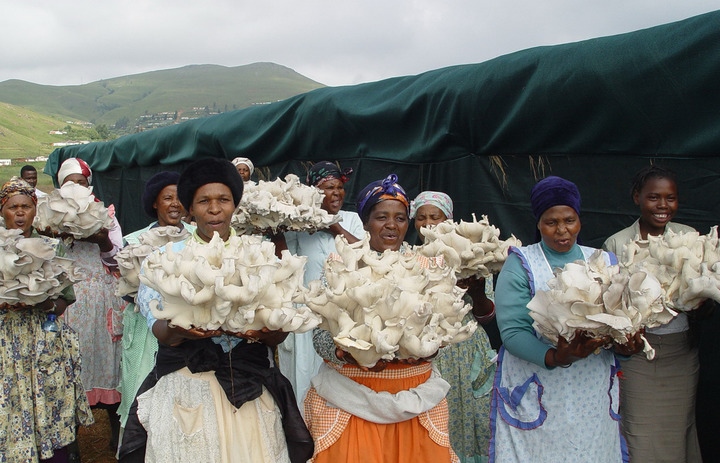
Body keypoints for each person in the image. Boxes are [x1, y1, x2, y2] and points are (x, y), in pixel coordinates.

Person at [118, 157, 313, 463]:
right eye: (203, 201)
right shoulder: (165, 259)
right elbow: (159, 330)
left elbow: (277, 333)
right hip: (187, 384)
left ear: (234, 205)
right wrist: (180, 330)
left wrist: (264, 332)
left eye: (223, 199)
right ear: (190, 208)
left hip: (249, 383)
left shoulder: (259, 255)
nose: (214, 209)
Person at [489, 175, 643, 463]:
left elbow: (620, 320)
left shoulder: (604, 261)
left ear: (579, 220)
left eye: (569, 220)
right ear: (538, 223)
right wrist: (555, 356)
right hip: (538, 386)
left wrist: (626, 347)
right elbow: (513, 332)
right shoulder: (521, 263)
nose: (562, 230)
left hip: (591, 391)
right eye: (551, 222)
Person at [306, 174, 458, 463]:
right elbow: (320, 336)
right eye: (381, 217)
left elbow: (443, 329)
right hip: (352, 398)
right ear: (365, 222)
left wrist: (429, 348)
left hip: (415, 397)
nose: (391, 225)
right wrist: (347, 353)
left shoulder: (428, 266)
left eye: (400, 218)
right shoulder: (342, 264)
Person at [603, 165, 702, 462]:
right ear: (637, 198)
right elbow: (609, 304)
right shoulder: (617, 244)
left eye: (670, 198)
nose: (663, 205)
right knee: (639, 435)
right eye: (654, 197)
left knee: (677, 432)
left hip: (680, 354)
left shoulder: (689, 237)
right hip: (636, 356)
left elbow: (704, 301)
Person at [0, 178, 93, 462]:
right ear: (2, 210)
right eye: (12, 207)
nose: (19, 213)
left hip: (44, 338)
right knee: (9, 404)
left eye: (26, 206)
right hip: (5, 340)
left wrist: (46, 303)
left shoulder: (53, 248)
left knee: (50, 401)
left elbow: (65, 298)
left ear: (34, 209)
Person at [410, 190, 497, 462]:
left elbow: (487, 315)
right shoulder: (408, 256)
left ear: (448, 219)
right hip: (428, 349)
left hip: (467, 347)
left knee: (469, 415)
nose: (427, 224)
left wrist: (476, 291)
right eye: (421, 217)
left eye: (434, 217)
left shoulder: (472, 253)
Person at [272, 161, 365, 411]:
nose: (336, 193)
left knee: (341, 378)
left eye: (339, 187)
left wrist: (334, 227)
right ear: (313, 192)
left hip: (343, 315)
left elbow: (363, 256)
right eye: (328, 188)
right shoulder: (300, 225)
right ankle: (306, 425)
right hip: (307, 314)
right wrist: (276, 231)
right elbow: (285, 263)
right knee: (304, 373)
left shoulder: (351, 219)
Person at [116, 171, 195, 446]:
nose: (175, 204)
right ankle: (140, 448)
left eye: (180, 198)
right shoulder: (135, 240)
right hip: (144, 329)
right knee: (141, 388)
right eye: (167, 198)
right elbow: (126, 289)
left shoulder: (198, 237)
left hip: (185, 327)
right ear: (154, 203)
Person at [55, 157, 126, 455]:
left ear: (89, 186)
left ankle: (116, 439)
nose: (76, 188)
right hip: (70, 304)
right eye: (70, 183)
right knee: (71, 367)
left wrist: (102, 240)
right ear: (60, 187)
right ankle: (70, 443)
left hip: (102, 301)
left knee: (109, 363)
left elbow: (119, 260)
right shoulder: (50, 216)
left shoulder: (104, 214)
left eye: (81, 183)